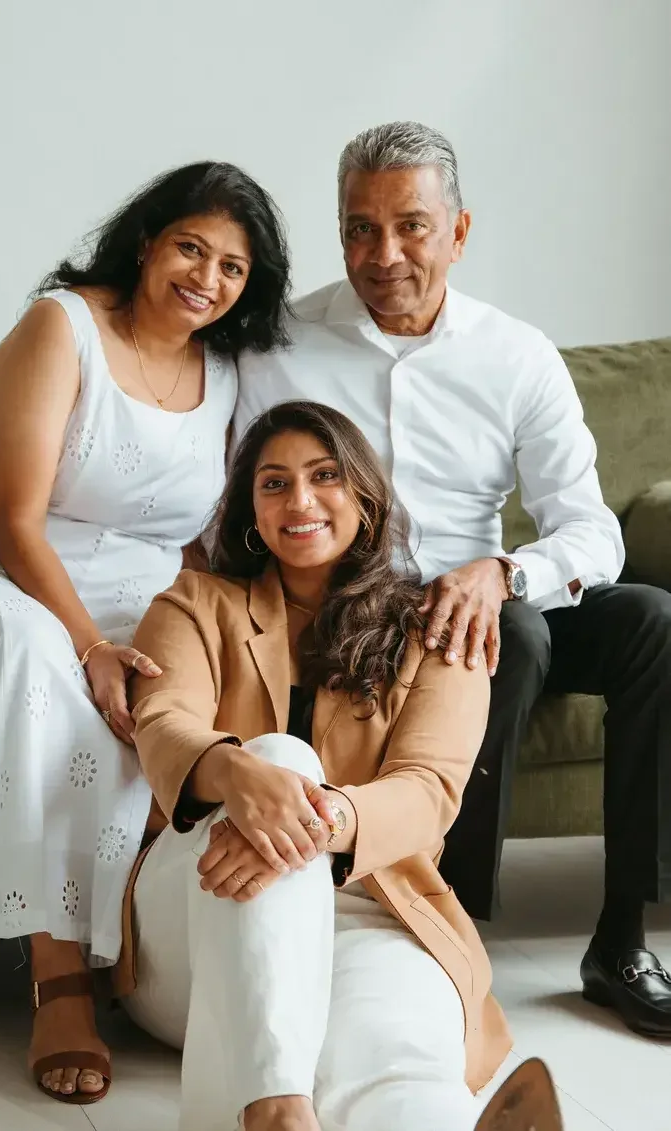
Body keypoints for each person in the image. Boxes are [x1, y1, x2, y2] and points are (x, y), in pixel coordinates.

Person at [234, 120, 671, 1037]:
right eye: (359, 228)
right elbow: (243, 497)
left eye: (412, 227)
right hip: (354, 607)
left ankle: (623, 933)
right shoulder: (284, 345)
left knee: (650, 621)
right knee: (509, 635)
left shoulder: (516, 354)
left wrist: (503, 568)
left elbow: (590, 529)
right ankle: (446, 925)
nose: (383, 253)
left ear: (460, 231)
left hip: (489, 591)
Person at [0, 160, 292, 1103]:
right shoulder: (63, 326)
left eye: (233, 268)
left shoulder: (226, 369)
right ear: (146, 242)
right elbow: (13, 520)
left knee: (165, 691)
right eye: (190, 248)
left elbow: (204, 535)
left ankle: (123, 949)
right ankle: (57, 975)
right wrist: (87, 644)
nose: (206, 278)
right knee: (29, 650)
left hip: (134, 592)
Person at [116, 400, 509, 1131]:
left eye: (324, 475)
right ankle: (273, 1110)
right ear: (249, 511)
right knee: (278, 755)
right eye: (273, 483)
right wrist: (242, 779)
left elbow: (429, 791)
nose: (299, 500)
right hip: (200, 898)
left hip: (373, 906)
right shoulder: (194, 602)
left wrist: (307, 824)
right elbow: (162, 723)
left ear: (364, 492)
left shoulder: (435, 628)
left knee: (394, 1055)